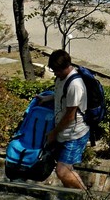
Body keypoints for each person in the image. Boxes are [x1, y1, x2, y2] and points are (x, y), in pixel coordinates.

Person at [45, 49, 89, 190]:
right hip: (64, 133)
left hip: (74, 133)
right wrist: (47, 98)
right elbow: (61, 96)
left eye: (56, 71)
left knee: (62, 171)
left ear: (65, 67)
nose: (55, 74)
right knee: (65, 171)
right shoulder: (61, 78)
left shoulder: (75, 85)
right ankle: (76, 195)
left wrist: (53, 133)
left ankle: (84, 196)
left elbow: (70, 115)